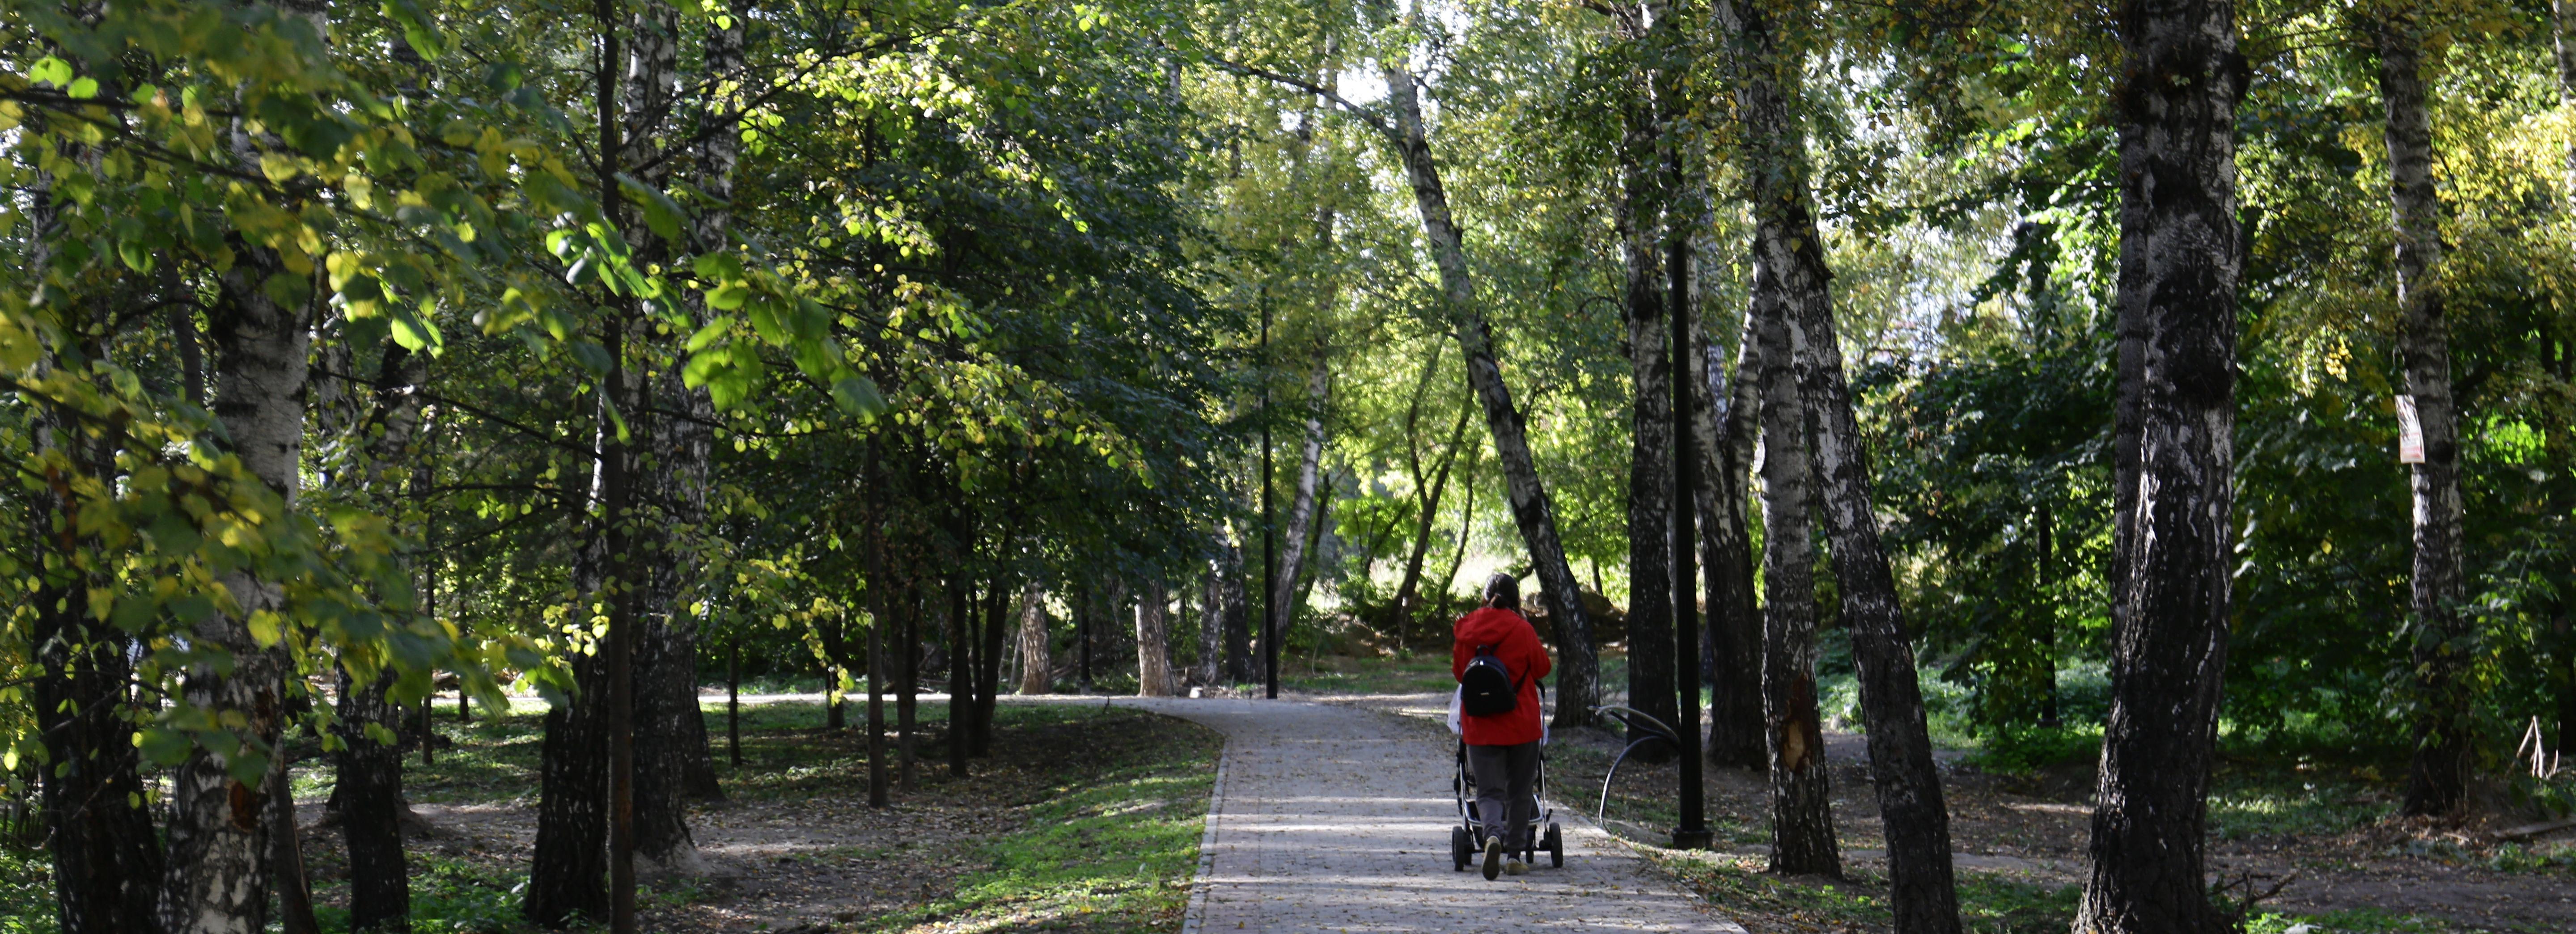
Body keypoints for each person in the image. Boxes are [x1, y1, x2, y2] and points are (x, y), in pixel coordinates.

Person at [1452, 572, 1552, 880]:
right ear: (1517, 600)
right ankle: (1514, 856)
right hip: (1522, 724)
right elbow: (1543, 668)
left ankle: (1492, 835)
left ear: (1484, 597)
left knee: (1488, 791)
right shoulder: (1522, 629)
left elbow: (1460, 673)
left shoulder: (1467, 628)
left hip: (1480, 724)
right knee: (1520, 791)